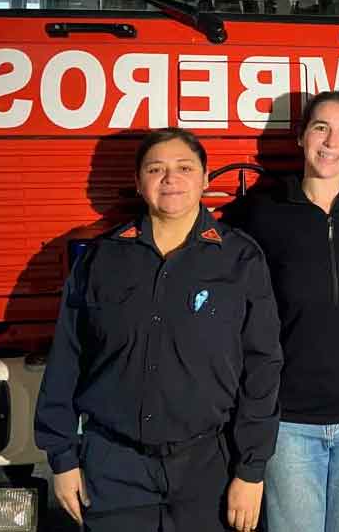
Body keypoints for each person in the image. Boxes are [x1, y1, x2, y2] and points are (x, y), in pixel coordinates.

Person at [34, 127, 283, 532]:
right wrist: (62, 458)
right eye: (156, 169)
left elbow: (262, 367)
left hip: (209, 468)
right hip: (113, 470)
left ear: (205, 179)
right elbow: (66, 360)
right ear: (138, 182)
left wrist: (251, 470)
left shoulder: (240, 260)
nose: (171, 179)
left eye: (185, 167)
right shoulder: (101, 260)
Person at [221, 91, 339, 532]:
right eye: (320, 128)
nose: (331, 141)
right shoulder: (259, 214)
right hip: (289, 424)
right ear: (301, 137)